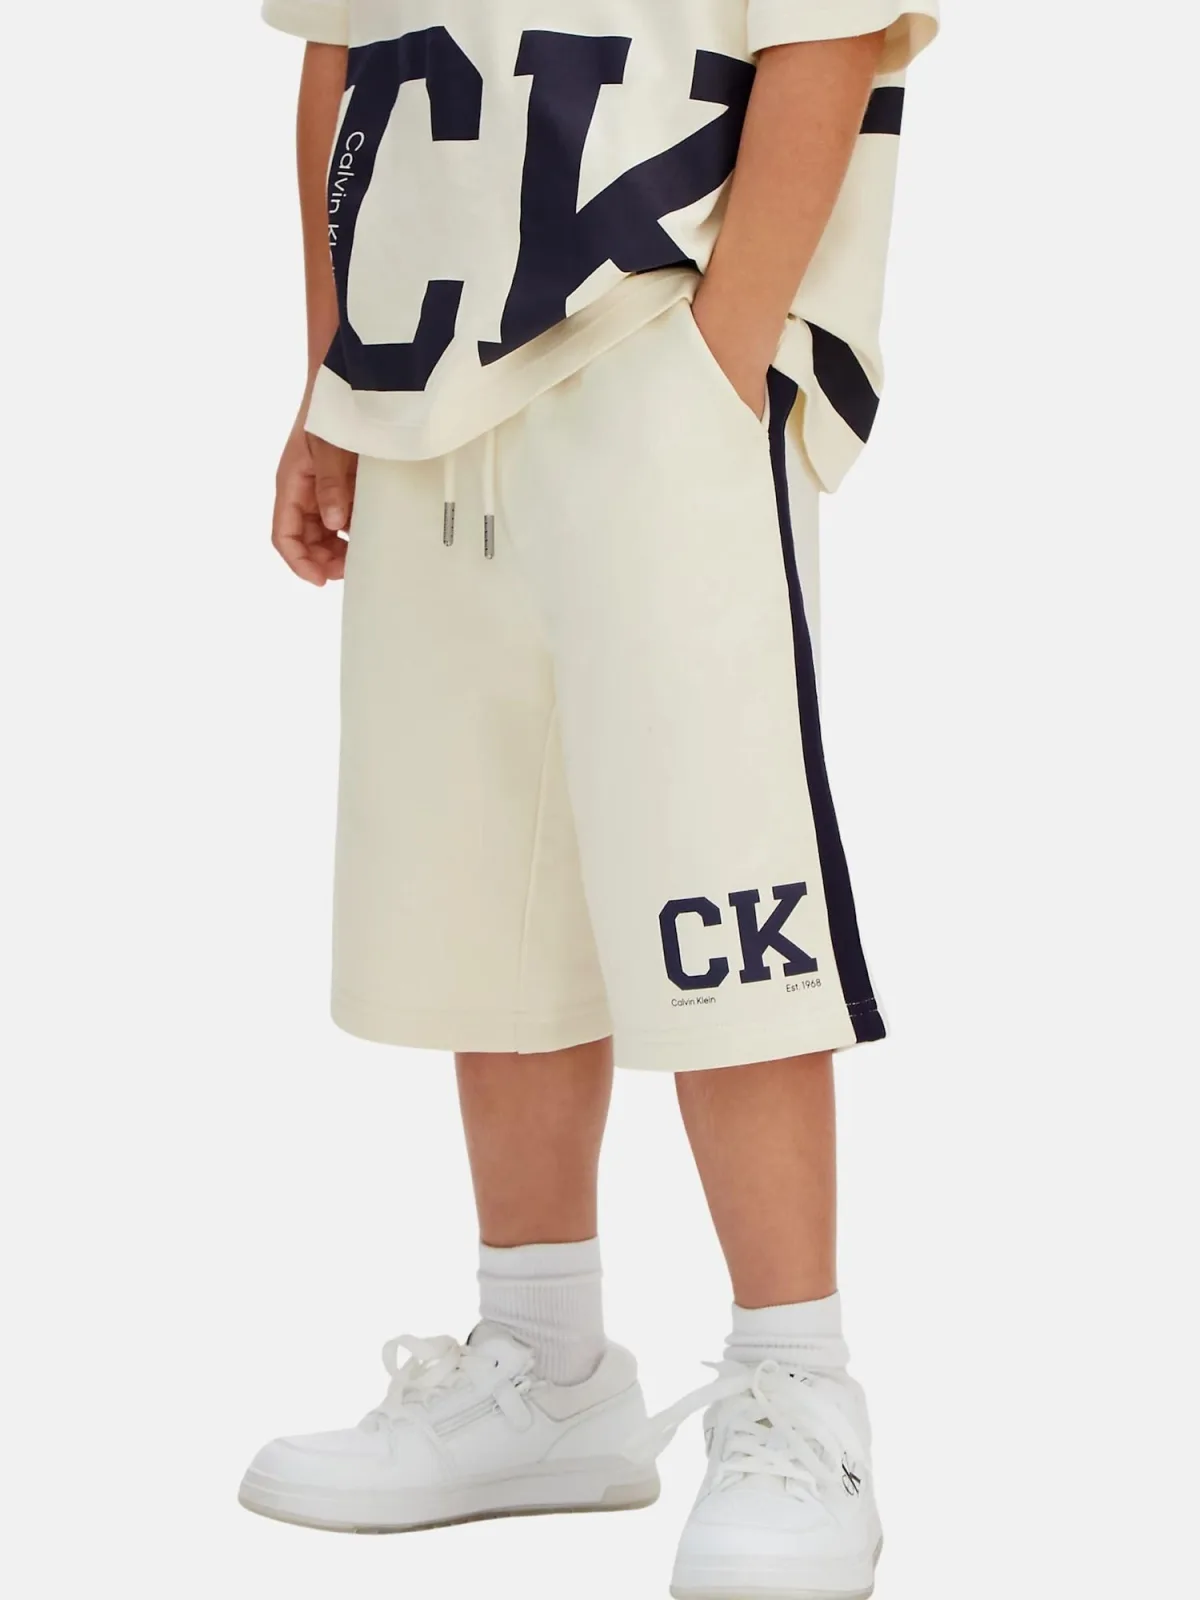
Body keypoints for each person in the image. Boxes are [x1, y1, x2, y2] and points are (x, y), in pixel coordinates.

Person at [240, 3, 938, 1595]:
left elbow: (828, 37)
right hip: (425, 378)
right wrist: (333, 375)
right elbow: (342, 60)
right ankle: (543, 1361)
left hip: (655, 333)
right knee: (486, 879)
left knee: (721, 880)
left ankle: (796, 1381)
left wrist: (722, 359)